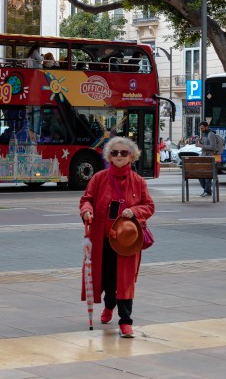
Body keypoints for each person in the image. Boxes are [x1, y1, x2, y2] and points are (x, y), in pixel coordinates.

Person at [79, 137, 155, 339]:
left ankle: (126, 321)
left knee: (125, 281)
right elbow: (87, 200)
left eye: (123, 153)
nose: (119, 156)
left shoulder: (138, 181)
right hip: (103, 240)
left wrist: (135, 211)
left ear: (132, 156)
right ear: (108, 156)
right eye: (115, 153)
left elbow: (149, 206)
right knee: (107, 279)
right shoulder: (99, 178)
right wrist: (87, 211)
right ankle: (109, 304)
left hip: (127, 241)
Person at [195, 121, 219, 197]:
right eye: (200, 128)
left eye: (202, 128)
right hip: (203, 157)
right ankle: (207, 190)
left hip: (209, 158)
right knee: (200, 174)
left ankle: (207, 191)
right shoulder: (205, 134)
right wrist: (199, 141)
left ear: (206, 127)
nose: (201, 129)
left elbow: (213, 147)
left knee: (208, 176)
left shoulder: (211, 134)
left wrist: (201, 145)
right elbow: (204, 144)